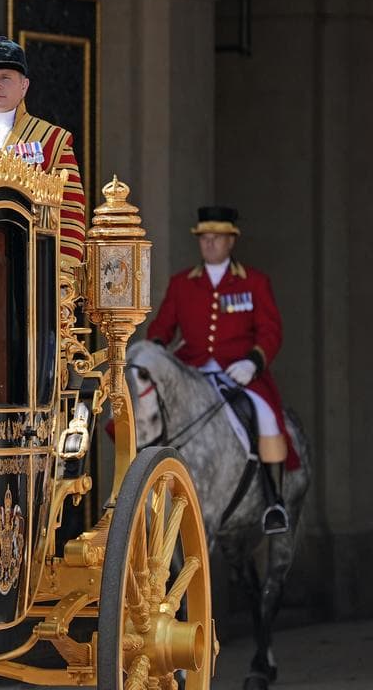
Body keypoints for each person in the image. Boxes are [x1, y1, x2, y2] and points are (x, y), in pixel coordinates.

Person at [147, 206, 294, 534]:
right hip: (192, 368)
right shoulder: (182, 283)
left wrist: (254, 361)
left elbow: (270, 331)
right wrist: (156, 347)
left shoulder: (254, 282)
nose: (209, 243)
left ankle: (273, 499)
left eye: (216, 237)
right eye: (204, 238)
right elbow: (162, 326)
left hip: (239, 371)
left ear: (231, 241)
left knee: (266, 417)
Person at [0, 36, 87, 275]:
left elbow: (71, 211)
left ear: (24, 85)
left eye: (5, 77)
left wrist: (63, 272)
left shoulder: (53, 139)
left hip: (31, 261)